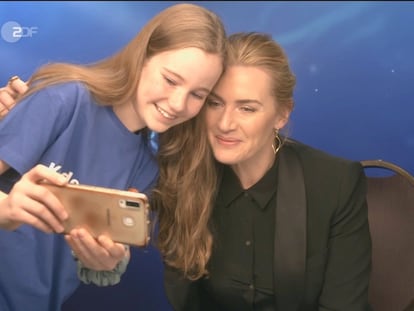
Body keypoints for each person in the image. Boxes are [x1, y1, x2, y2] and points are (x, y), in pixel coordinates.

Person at [0, 3, 227, 311]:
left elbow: (94, 261)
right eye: (171, 80)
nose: (177, 103)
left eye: (198, 94)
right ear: (142, 57)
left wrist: (105, 264)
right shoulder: (64, 99)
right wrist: (6, 208)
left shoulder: (148, 170)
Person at [152, 32, 372, 310]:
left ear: (282, 114)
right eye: (215, 103)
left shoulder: (336, 183)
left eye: (246, 108)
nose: (225, 123)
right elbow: (186, 301)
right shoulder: (184, 177)